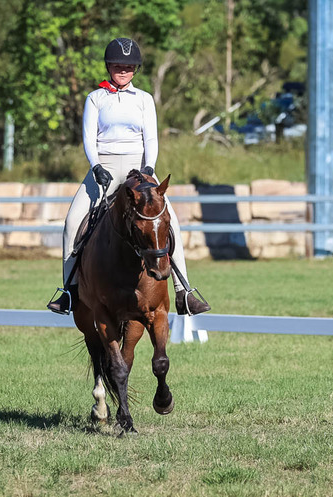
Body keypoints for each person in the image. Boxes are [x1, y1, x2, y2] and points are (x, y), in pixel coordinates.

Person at [47, 37, 211, 317]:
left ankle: (184, 292)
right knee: (72, 223)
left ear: (135, 69)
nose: (123, 70)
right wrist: (96, 166)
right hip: (105, 168)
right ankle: (69, 292)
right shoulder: (95, 98)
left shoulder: (144, 99)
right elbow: (88, 138)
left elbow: (151, 138)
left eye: (128, 66)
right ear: (108, 67)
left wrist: (149, 167)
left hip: (139, 168)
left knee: (171, 222)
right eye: (117, 65)